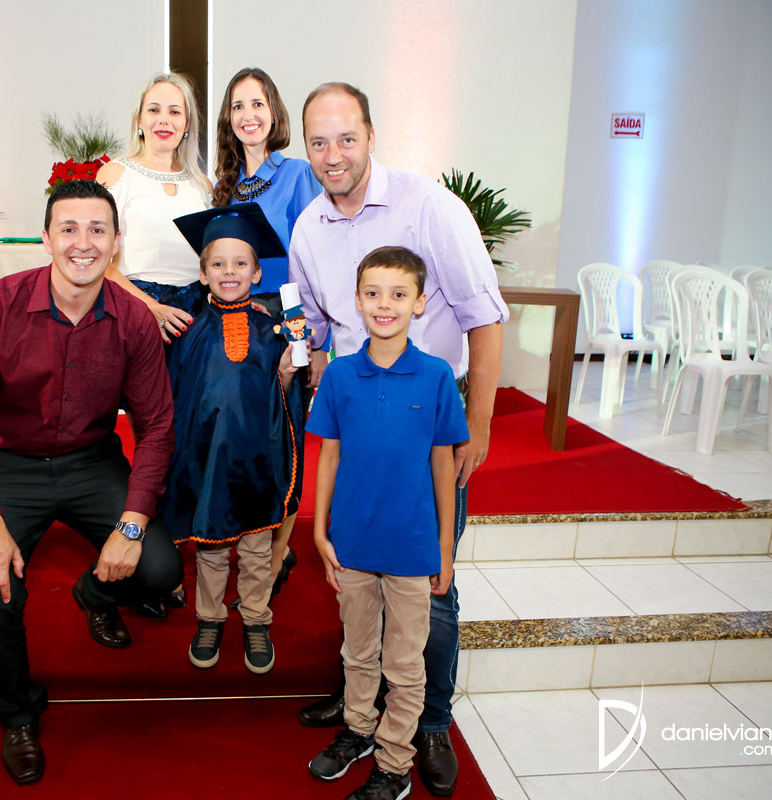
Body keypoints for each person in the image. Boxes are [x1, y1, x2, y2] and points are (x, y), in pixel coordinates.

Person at [289, 82, 508, 797]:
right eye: (318, 142)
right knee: (358, 580)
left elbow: (484, 317)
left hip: (427, 425)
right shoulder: (309, 228)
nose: (333, 155)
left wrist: (478, 427)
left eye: (346, 138)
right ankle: (362, 712)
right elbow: (316, 325)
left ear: (371, 136)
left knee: (429, 588)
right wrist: (308, 370)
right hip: (359, 421)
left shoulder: (430, 207)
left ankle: (430, 723)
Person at [0, 179, 183, 785]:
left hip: (89, 461)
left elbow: (157, 427)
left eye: (97, 230)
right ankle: (19, 714)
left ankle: (94, 594)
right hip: (8, 463)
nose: (83, 243)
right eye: (69, 229)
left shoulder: (132, 319)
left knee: (159, 568)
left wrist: (132, 524)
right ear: (46, 239)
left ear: (116, 242)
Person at [306, 247, 468, 800]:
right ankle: (358, 729)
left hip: (411, 546)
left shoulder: (437, 376)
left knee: (404, 663)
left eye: (399, 294)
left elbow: (443, 467)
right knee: (357, 650)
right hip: (352, 541)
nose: (384, 304)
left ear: (419, 303)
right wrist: (320, 530)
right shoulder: (340, 375)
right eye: (373, 293)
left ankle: (396, 761)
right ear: (356, 300)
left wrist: (444, 549)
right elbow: (329, 455)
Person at [164, 203, 302, 675]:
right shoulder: (187, 331)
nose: (229, 272)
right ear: (203, 274)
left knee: (258, 552)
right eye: (218, 264)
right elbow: (178, 396)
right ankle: (210, 617)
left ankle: (256, 618)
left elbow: (280, 395)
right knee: (211, 548)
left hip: (257, 458)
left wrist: (288, 371)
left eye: (240, 263)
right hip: (207, 460)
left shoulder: (273, 330)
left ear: (257, 272)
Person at [211, 66, 321, 595]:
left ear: (274, 113)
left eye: (257, 104)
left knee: (286, 437)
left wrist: (304, 342)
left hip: (284, 318)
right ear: (228, 119)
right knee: (247, 438)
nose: (248, 115)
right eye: (238, 106)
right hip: (235, 323)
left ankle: (277, 557)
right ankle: (254, 543)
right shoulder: (223, 185)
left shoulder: (298, 175)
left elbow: (311, 263)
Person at [97, 71, 212, 344]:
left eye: (174, 111)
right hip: (134, 311)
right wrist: (151, 307)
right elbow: (98, 258)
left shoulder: (202, 185)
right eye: (154, 109)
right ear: (139, 119)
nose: (164, 119)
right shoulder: (116, 174)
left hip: (196, 319)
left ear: (187, 124)